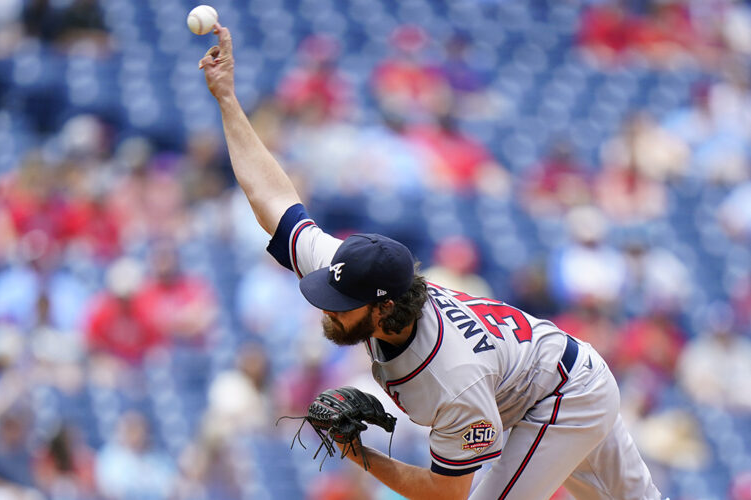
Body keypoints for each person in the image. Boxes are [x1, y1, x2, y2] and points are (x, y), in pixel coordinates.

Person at [199, 24, 663, 500]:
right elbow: (273, 200)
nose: (327, 306)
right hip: (552, 376)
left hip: (560, 398)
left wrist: (357, 452)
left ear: (382, 309)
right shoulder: (354, 269)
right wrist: (227, 99)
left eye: (342, 303)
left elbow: (445, 495)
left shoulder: (447, 374)